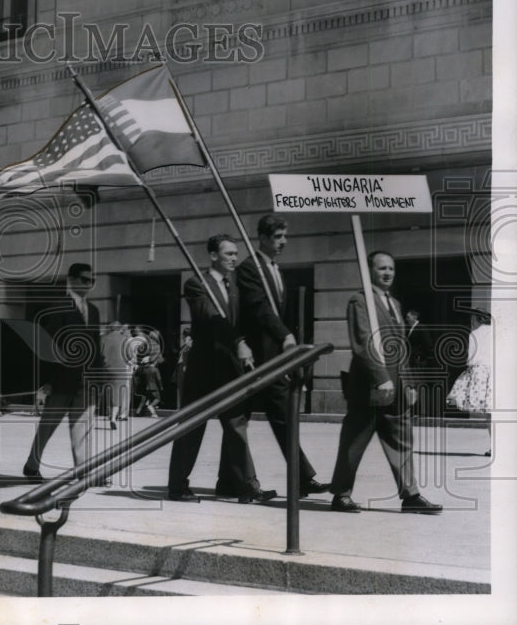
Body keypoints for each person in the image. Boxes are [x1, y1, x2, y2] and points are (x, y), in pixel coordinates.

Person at [330, 251, 442, 514]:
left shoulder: (395, 304)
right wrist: (381, 379)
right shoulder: (359, 301)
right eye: (382, 269)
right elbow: (362, 342)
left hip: (398, 387)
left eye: (391, 268)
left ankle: (411, 495)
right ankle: (341, 495)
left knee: (402, 440)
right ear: (370, 270)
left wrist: (410, 384)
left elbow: (401, 347)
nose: (388, 273)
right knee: (354, 441)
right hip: (369, 387)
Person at [166, 234, 275, 504]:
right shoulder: (196, 285)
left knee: (237, 425)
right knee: (192, 427)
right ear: (213, 255)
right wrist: (237, 341)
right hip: (204, 370)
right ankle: (177, 486)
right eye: (229, 254)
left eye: (236, 254)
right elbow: (210, 317)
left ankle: (247, 487)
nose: (234, 259)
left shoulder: (236, 286)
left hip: (231, 368)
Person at [226, 214, 327, 498]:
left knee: (274, 417)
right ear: (262, 238)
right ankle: (244, 481)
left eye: (285, 236)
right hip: (254, 360)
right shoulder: (249, 268)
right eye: (277, 237)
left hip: (272, 360)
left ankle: (300, 477)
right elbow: (260, 309)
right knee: (238, 420)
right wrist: (285, 335)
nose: (283, 242)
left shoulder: (274, 269)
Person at [22, 263, 101, 485]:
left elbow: (95, 345)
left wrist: (98, 376)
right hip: (61, 379)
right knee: (48, 425)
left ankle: (83, 472)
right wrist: (46, 381)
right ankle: (32, 465)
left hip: (85, 380)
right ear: (72, 280)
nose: (88, 284)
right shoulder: (58, 306)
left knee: (82, 427)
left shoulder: (93, 310)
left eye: (91, 281)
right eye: (84, 279)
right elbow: (48, 346)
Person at [447, 307, 493, 455]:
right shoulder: (497, 331)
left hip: (481, 372)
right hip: (497, 371)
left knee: (488, 412)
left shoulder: (475, 334)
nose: (471, 321)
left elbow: (471, 358)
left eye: (473, 318)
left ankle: (495, 445)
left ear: (477, 319)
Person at [100, 321, 133, 428]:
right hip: (120, 369)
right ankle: (113, 418)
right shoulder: (125, 340)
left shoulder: (103, 338)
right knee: (118, 393)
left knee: (108, 391)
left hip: (106, 368)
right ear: (119, 329)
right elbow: (129, 355)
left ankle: (108, 413)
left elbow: (99, 353)